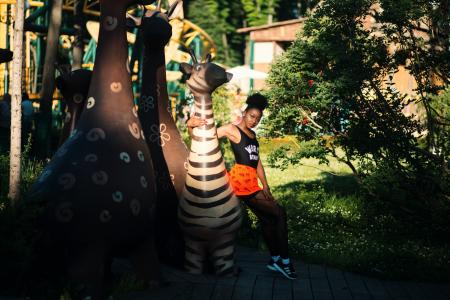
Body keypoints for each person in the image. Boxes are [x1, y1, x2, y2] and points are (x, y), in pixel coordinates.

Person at [187, 93, 297, 280]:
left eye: (258, 118)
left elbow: (257, 161)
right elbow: (205, 138)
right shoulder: (232, 129)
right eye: (252, 116)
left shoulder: (253, 135)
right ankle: (284, 262)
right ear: (244, 113)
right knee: (279, 213)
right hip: (241, 181)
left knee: (268, 220)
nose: (254, 121)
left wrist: (266, 186)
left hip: (252, 181)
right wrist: (190, 125)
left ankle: (275, 260)